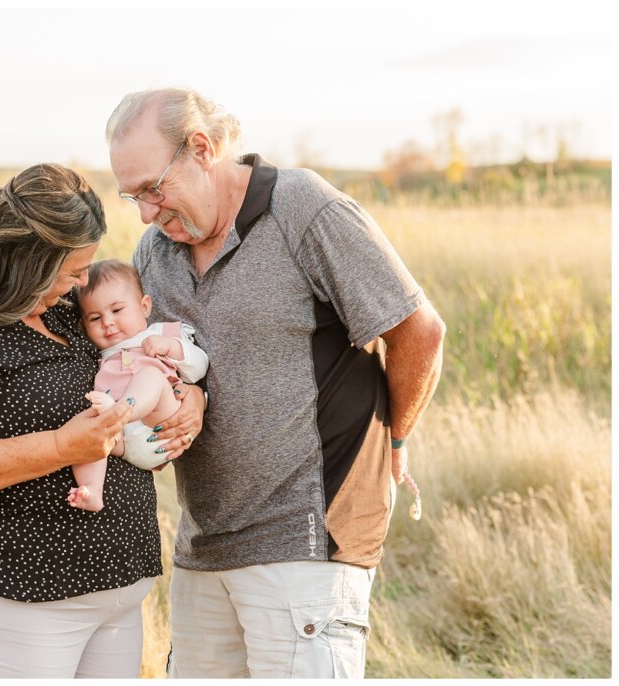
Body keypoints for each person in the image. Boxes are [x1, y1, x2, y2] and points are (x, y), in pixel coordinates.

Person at [105, 88, 446, 678]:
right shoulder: (154, 251)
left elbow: (418, 332)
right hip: (202, 548)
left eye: (153, 188)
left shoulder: (303, 209)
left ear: (202, 149)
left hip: (307, 544)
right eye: (132, 195)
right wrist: (175, 404)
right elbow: (164, 363)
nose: (145, 211)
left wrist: (394, 440)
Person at [0, 163, 186, 678]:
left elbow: (138, 360)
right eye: (72, 271)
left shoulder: (68, 310)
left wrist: (183, 403)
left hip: (113, 587)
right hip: (9, 585)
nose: (82, 283)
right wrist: (64, 447)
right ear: (30, 262)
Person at [68, 259, 209, 512]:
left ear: (144, 306)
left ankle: (121, 411)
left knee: (151, 376)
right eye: (95, 317)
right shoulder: (97, 355)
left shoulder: (160, 334)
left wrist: (171, 348)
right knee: (86, 435)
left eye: (117, 310)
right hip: (124, 443)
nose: (108, 322)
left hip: (160, 421)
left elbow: (199, 367)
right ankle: (92, 491)